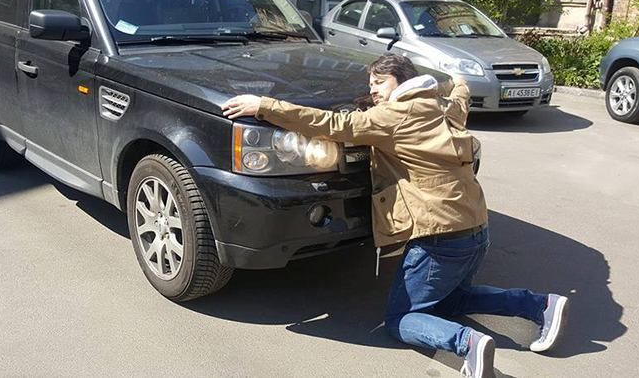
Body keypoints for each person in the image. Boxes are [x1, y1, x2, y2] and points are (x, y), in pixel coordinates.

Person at [221, 54, 568, 378]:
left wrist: (264, 105)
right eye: (371, 83)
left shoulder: (393, 116)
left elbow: (330, 123)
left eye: (379, 82)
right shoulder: (445, 107)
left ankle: (467, 344)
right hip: (476, 227)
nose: (372, 89)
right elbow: (460, 88)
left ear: (401, 82)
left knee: (402, 318)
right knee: (455, 299)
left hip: (438, 234)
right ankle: (540, 305)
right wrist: (450, 80)